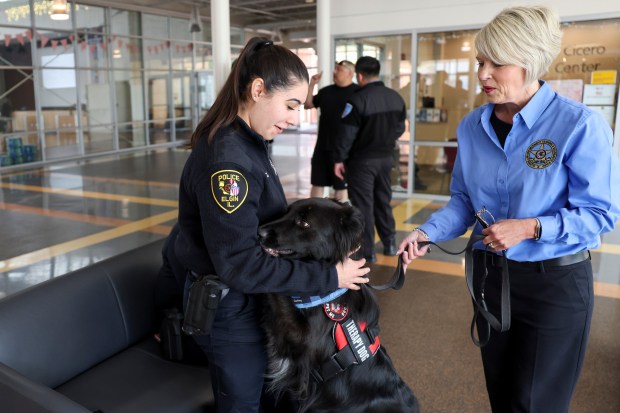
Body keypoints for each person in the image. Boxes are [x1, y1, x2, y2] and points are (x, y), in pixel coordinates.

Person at [397, 6, 620, 413]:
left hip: (554, 284)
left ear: (529, 62)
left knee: (535, 404)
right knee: (503, 397)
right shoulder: (472, 126)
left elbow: (600, 214)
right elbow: (464, 202)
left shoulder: (578, 126)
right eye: (481, 61)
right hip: (490, 279)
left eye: (496, 63)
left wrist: (531, 228)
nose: (483, 74)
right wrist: (427, 232)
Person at [173, 37, 370, 413]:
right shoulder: (228, 162)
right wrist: (331, 278)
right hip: (229, 310)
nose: (295, 117)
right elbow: (240, 265)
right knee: (244, 405)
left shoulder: (249, 142)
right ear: (258, 89)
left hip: (251, 302)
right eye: (291, 105)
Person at [334, 56, 407, 262]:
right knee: (383, 200)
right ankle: (390, 243)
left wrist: (339, 159)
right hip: (386, 159)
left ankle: (368, 251)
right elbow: (400, 127)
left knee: (363, 205)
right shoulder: (395, 97)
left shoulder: (357, 100)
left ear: (359, 76)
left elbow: (346, 134)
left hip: (362, 162)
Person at [304, 60, 359, 201]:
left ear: (350, 74)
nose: (334, 72)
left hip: (344, 150)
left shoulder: (358, 93)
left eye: (339, 70)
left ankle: (341, 221)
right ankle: (314, 216)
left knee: (341, 188)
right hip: (322, 147)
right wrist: (312, 85)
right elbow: (308, 104)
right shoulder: (326, 92)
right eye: (335, 69)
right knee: (317, 184)